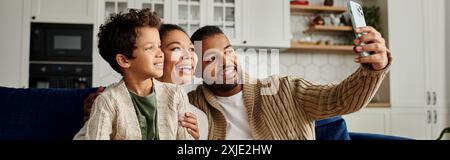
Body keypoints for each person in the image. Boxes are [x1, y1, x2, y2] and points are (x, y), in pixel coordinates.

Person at [186, 25, 391, 140]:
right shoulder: (191, 104)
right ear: (196, 68)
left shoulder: (284, 89)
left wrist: (374, 69)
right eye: (212, 58)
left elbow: (341, 98)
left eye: (229, 51)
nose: (226, 62)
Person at [74, 9, 194, 140]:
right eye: (150, 48)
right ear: (124, 60)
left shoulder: (176, 94)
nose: (160, 53)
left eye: (159, 46)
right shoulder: (107, 101)